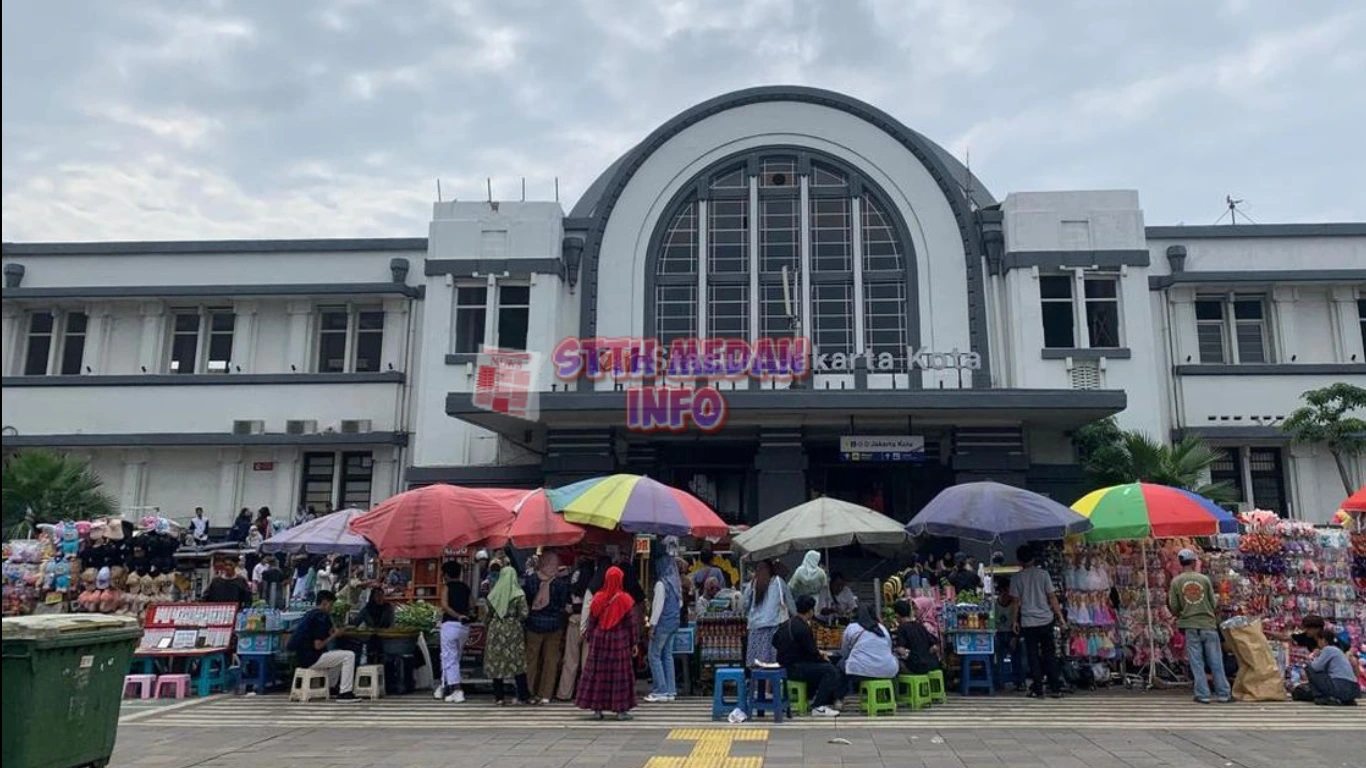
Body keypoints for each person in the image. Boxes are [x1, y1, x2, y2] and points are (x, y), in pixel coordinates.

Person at [1167, 548, 1230, 704]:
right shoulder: (1204, 580)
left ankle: (1202, 694)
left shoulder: (1176, 582)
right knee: (1216, 660)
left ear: (1180, 563)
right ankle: (1223, 693)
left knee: (1196, 662)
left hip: (1189, 625)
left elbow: (1174, 607)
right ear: (1194, 562)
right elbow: (1213, 603)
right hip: (1208, 624)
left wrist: (1184, 611)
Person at [576, 565, 638, 720]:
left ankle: (597, 710)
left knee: (598, 675)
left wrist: (590, 637)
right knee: (619, 674)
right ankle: (620, 710)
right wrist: (634, 643)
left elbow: (592, 621)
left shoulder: (597, 597)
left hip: (599, 640)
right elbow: (631, 623)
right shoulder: (625, 600)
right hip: (619, 641)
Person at [772, 594, 844, 717]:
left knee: (819, 669)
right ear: (810, 611)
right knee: (830, 670)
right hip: (795, 669)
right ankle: (818, 706)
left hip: (784, 666)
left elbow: (774, 641)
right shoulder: (803, 627)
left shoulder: (787, 624)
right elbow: (812, 653)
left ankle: (810, 698)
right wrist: (823, 658)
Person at [1012, 544, 1067, 699]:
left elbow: (1016, 602)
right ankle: (1055, 687)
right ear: (1034, 558)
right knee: (1049, 653)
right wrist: (1060, 617)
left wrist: (1014, 621)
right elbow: (1052, 597)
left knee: (1032, 655)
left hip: (1028, 622)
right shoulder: (1044, 575)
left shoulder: (1017, 578)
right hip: (1045, 620)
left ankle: (1038, 688)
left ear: (1019, 560)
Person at [286, 591, 359, 701]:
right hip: (312, 658)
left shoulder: (310, 614)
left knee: (338, 656)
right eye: (331, 605)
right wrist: (334, 635)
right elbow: (318, 646)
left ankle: (330, 687)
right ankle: (345, 692)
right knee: (349, 656)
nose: (332, 608)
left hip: (302, 658)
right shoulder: (321, 617)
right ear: (325, 603)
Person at [523, 551, 570, 704]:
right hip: (554, 626)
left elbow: (527, 601)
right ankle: (546, 694)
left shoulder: (530, 580)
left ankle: (529, 691)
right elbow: (563, 605)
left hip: (533, 624)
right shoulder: (560, 583)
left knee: (531, 659)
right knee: (551, 660)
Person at [485, 563, 534, 705]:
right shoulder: (518, 594)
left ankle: (499, 697)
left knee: (497, 661)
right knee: (517, 661)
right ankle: (523, 695)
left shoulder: (493, 594)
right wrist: (514, 620)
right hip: (513, 628)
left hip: (496, 628)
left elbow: (488, 614)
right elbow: (524, 614)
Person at [644, 537, 684, 703]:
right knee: (668, 656)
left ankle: (660, 690)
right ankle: (670, 690)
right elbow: (680, 603)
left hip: (662, 624)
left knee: (654, 655)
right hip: (674, 622)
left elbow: (657, 607)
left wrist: (652, 626)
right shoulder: (676, 583)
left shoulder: (661, 584)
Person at [556, 558, 598, 701]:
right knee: (586, 661)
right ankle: (586, 693)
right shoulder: (595, 580)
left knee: (571, 659)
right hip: (589, 623)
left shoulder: (575, 576)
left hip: (574, 620)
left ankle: (564, 693)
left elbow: (569, 601)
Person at [1296, 615, 1361, 706]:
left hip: (1340, 686)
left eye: (1319, 641)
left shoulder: (1328, 650)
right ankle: (1346, 699)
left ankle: (1322, 697)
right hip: (1353, 689)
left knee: (1309, 667)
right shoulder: (1337, 650)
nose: (1318, 644)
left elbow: (1316, 667)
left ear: (1323, 640)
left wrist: (1312, 658)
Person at [742, 560, 797, 666]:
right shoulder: (778, 582)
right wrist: (799, 618)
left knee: (756, 664)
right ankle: (770, 683)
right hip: (773, 627)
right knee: (772, 664)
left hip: (755, 629)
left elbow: (744, 605)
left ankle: (756, 682)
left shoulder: (753, 583)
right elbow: (790, 604)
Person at [839, 605, 900, 698]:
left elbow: (844, 651)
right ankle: (892, 698)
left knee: (840, 664)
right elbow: (889, 648)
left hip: (860, 673)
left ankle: (844, 697)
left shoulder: (852, 627)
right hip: (887, 671)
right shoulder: (882, 628)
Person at [436, 560, 473, 703]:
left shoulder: (446, 587)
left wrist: (457, 615)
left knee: (449, 657)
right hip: (464, 627)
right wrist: (463, 615)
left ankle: (457, 690)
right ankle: (445, 687)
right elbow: (472, 604)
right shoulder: (465, 587)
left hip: (450, 625)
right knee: (454, 657)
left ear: (445, 574)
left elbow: (444, 605)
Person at [993, 575, 1027, 691]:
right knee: (996, 656)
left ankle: (1020, 681)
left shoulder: (1015, 605)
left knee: (1018, 655)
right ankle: (999, 681)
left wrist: (1015, 637)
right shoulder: (994, 605)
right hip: (999, 634)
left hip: (1012, 634)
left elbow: (1019, 622)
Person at [891, 599, 940, 675]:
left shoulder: (902, 628)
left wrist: (908, 655)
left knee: (895, 665)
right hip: (931, 665)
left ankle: (901, 687)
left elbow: (901, 649)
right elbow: (934, 646)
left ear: (897, 615)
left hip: (916, 667)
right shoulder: (920, 626)